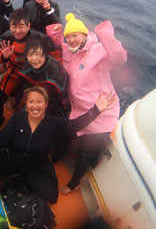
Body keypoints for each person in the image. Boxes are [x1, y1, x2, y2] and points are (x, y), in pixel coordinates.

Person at [0, 86, 117, 204]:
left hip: (33, 165)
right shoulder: (18, 118)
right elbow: (0, 139)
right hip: (9, 159)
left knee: (50, 197)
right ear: (26, 104)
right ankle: (15, 177)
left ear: (46, 104)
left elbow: (75, 125)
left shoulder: (55, 123)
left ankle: (22, 179)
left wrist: (96, 110)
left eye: (39, 102)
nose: (34, 106)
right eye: (31, 102)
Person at [46, 13, 127, 193]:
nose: (72, 40)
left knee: (86, 152)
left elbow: (119, 58)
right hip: (79, 109)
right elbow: (60, 45)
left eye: (75, 35)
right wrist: (57, 33)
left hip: (101, 111)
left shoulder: (98, 50)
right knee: (66, 134)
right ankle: (56, 158)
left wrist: (105, 34)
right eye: (69, 37)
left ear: (84, 34)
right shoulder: (70, 51)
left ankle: (73, 183)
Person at [0, 9, 61, 98]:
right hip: (14, 72)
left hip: (35, 74)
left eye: (21, 27)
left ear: (28, 26)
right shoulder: (5, 39)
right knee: (1, 96)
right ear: (10, 26)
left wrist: (52, 74)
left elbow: (56, 56)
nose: (17, 31)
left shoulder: (41, 38)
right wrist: (4, 57)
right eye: (14, 26)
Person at [16, 35, 68, 115]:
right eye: (30, 54)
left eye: (38, 54)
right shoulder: (26, 67)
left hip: (52, 107)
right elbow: (23, 88)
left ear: (45, 53)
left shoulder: (56, 71)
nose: (34, 59)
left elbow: (57, 100)